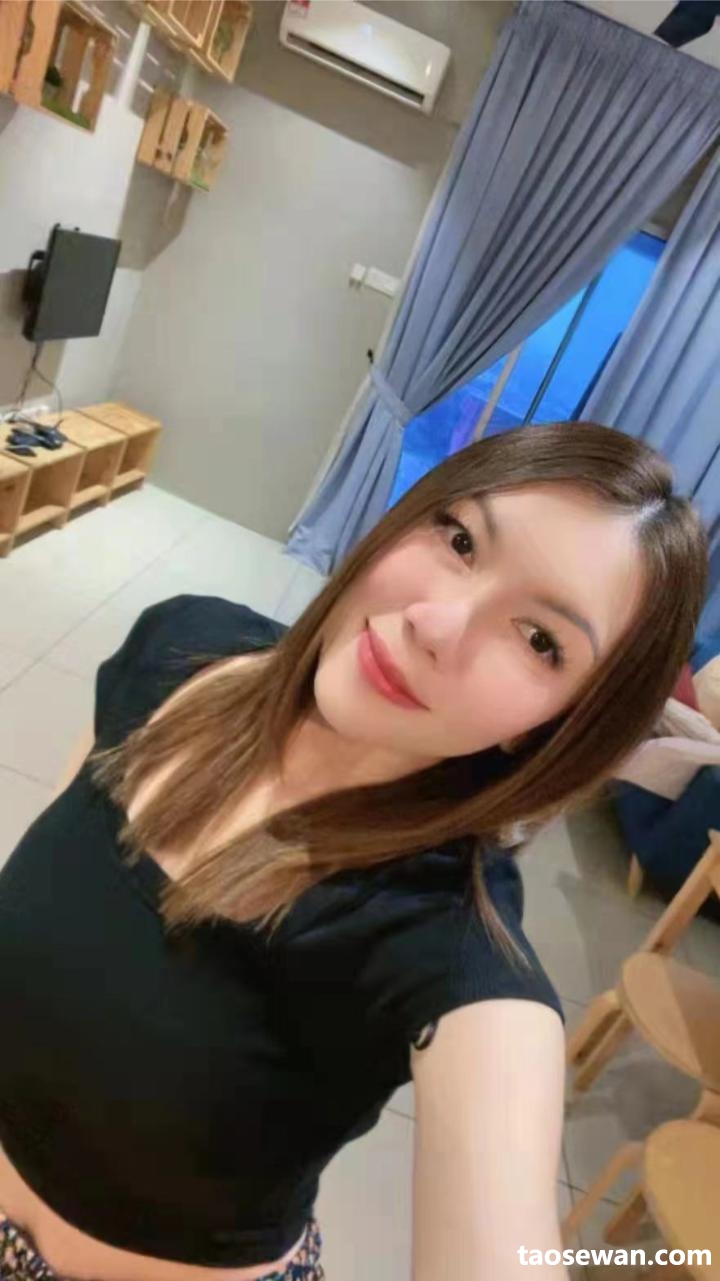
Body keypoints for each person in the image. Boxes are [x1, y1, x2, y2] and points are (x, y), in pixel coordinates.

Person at [0, 421, 708, 1281]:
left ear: (554, 728)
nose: (438, 623)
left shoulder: (448, 947)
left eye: (539, 640)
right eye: (460, 539)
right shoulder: (178, 649)